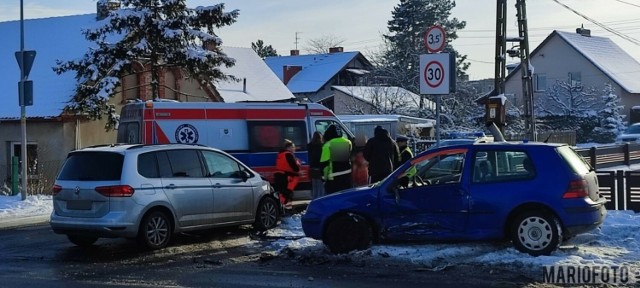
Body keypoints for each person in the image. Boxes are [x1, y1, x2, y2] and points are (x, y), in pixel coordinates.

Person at [320, 125, 353, 194]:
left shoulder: (328, 145)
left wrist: (323, 178)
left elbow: (325, 165)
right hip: (347, 176)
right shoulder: (348, 142)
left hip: (334, 179)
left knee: (333, 200)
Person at [274, 139, 301, 210]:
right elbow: (295, 168)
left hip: (279, 176)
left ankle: (281, 209)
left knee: (281, 194)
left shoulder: (280, 154)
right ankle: (287, 211)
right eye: (292, 147)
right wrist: (298, 163)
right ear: (288, 148)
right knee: (288, 194)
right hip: (286, 177)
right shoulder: (288, 155)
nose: (294, 148)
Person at [307, 131, 325, 199]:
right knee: (321, 189)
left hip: (312, 169)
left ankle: (314, 201)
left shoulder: (309, 146)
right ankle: (320, 203)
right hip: (319, 169)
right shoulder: (322, 146)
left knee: (314, 189)